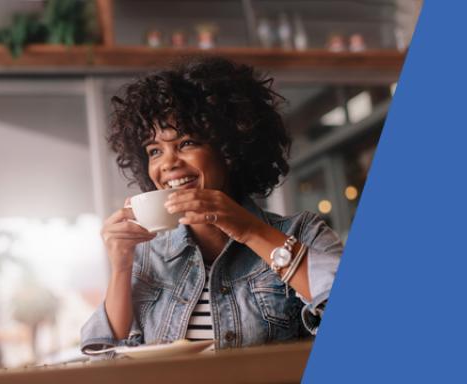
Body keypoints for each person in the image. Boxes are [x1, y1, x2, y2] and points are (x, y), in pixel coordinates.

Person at [80, 57, 343, 356]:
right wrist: (122, 266)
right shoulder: (146, 256)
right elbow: (106, 358)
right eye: (155, 151)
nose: (168, 164)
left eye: (187, 143)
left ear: (230, 150)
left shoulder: (302, 232)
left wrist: (249, 230)